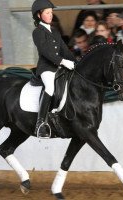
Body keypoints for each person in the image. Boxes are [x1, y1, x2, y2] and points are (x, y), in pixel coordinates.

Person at [31, 0, 75, 138]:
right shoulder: (37, 32)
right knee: (50, 88)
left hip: (59, 67)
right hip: (46, 68)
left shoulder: (55, 31)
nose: (51, 15)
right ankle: (40, 123)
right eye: (47, 13)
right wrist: (62, 61)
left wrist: (75, 61)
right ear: (39, 15)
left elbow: (64, 50)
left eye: (51, 12)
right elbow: (45, 52)